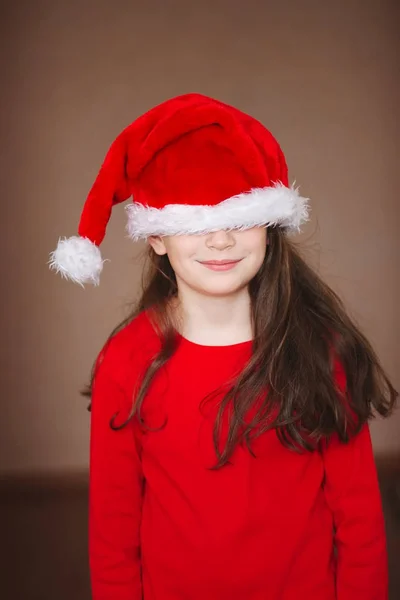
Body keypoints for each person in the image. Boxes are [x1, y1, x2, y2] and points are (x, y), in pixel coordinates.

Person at [49, 93, 397, 600]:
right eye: (197, 220)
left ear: (270, 228)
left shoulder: (319, 350)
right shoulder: (125, 361)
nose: (220, 240)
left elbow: (361, 525)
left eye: (237, 216)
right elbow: (113, 537)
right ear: (158, 237)